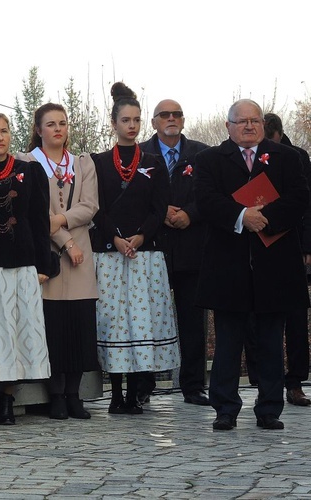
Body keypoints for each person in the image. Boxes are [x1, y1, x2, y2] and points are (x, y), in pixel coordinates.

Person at [195, 99, 309, 431]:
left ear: (263, 124)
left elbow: (299, 198)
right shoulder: (209, 160)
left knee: (272, 339)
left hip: (275, 264)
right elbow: (206, 200)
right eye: (241, 121)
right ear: (228, 126)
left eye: (255, 120)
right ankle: (225, 408)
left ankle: (270, 407)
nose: (248, 126)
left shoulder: (289, 158)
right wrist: (242, 216)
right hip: (227, 264)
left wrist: (264, 219)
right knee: (229, 340)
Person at [91, 82, 180, 415]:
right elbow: (96, 206)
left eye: (136, 120)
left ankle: (138, 390)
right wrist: (115, 237)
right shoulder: (98, 162)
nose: (131, 125)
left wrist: (141, 236)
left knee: (142, 321)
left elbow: (160, 207)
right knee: (114, 321)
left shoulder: (154, 162)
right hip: (111, 254)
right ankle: (115, 393)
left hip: (146, 254)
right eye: (125, 120)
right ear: (113, 123)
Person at [17, 102, 100, 420]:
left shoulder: (82, 163)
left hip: (81, 255)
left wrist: (59, 220)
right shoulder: (27, 162)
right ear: (38, 130)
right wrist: (64, 240)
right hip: (46, 253)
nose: (58, 129)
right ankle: (55, 396)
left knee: (78, 324)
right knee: (52, 326)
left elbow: (89, 206)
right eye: (50, 124)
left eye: (62, 123)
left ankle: (74, 394)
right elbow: (33, 210)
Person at [0, 112, 51, 425]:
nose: (0, 137)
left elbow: (39, 221)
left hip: (21, 263)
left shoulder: (29, 171)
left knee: (17, 333)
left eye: (4, 131)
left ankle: (7, 400)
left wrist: (43, 264)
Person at [140, 99, 210, 406]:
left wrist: (190, 214)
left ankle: (193, 385)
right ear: (154, 122)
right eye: (164, 115)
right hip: (152, 249)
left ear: (183, 120)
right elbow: (131, 200)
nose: (171, 118)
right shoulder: (140, 154)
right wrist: (161, 211)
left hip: (192, 248)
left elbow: (213, 195)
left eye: (176, 114)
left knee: (193, 321)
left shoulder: (202, 154)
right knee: (149, 320)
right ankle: (143, 385)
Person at [258, 112, 311, 407]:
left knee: (295, 317)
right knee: (259, 318)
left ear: (277, 135)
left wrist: (307, 244)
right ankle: (263, 382)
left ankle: (295, 382)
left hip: (290, 244)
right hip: (254, 244)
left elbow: (306, 203)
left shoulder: (296, 157)